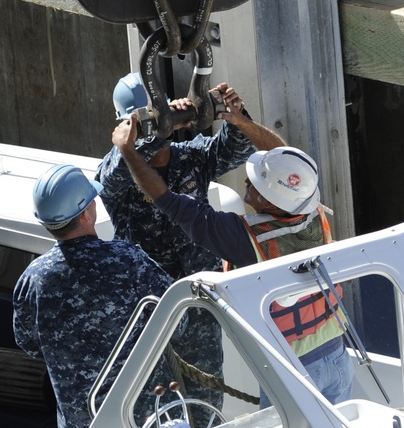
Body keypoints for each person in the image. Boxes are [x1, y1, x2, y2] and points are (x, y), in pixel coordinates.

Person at [110, 120, 353, 405]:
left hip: (291, 371)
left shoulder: (244, 238)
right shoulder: (311, 207)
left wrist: (127, 151)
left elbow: (168, 201)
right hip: (337, 357)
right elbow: (288, 163)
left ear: (270, 199)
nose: (247, 181)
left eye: (257, 182)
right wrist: (239, 119)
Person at [96, 72, 282, 406]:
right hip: (151, 310)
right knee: (157, 404)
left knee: (207, 401)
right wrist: (160, 127)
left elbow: (236, 150)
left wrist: (230, 113)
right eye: (145, 121)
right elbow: (111, 175)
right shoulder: (119, 171)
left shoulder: (191, 157)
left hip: (198, 304)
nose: (154, 128)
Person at [12, 163, 172, 428]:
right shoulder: (129, 260)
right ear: (86, 213)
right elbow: (179, 318)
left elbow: (29, 344)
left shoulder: (33, 279)